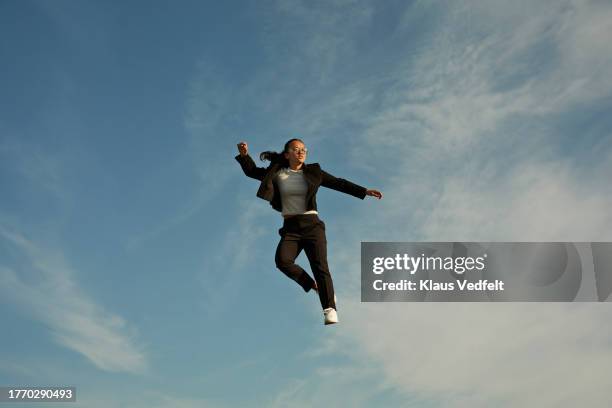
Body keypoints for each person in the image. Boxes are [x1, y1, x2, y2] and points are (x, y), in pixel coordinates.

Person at [235, 139, 382, 325]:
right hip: (290, 228)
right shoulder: (277, 173)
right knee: (282, 261)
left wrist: (364, 191)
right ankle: (314, 285)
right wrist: (244, 156)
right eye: (296, 149)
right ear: (287, 154)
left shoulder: (314, 172)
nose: (301, 152)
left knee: (320, 266)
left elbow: (339, 183)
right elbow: (252, 172)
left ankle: (329, 309)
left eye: (303, 149)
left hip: (312, 225)